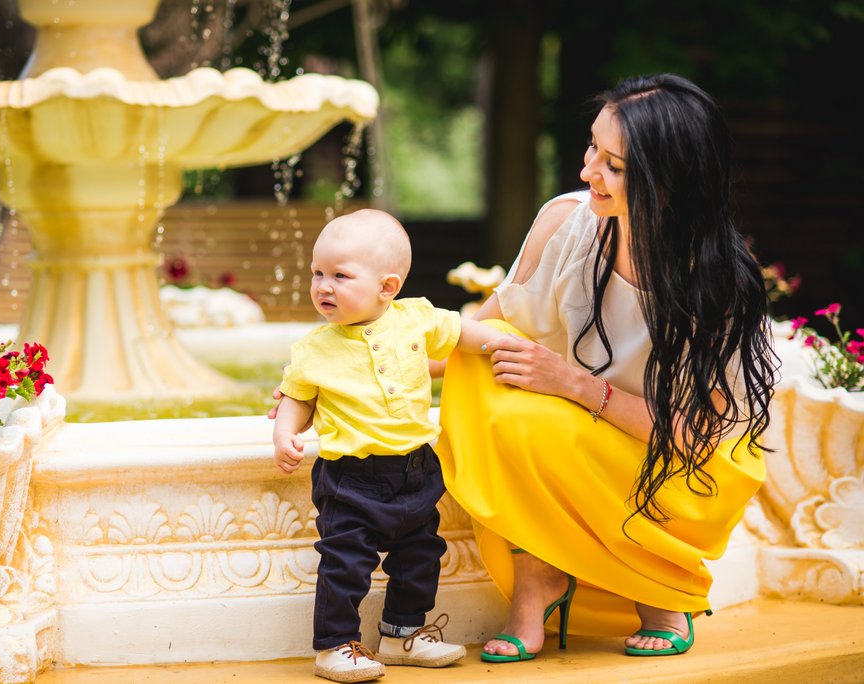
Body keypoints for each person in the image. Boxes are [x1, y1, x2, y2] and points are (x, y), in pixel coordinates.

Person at [433, 73, 776, 663]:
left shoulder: (720, 284)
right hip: (584, 436)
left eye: (614, 165)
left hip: (679, 468)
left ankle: (659, 587)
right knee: (486, 362)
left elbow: (694, 439)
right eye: (593, 148)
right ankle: (539, 576)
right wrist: (343, 372)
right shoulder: (567, 222)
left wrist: (570, 382)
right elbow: (474, 330)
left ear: (671, 181)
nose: (588, 171)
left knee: (530, 416)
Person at [272, 208, 516, 683]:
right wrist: (286, 433)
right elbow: (297, 396)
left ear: (387, 287)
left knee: (420, 556)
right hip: (351, 475)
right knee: (346, 563)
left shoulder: (415, 319)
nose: (323, 285)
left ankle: (402, 635)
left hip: (416, 468)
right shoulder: (313, 347)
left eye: (339, 275)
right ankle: (334, 646)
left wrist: (502, 347)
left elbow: (462, 332)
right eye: (316, 274)